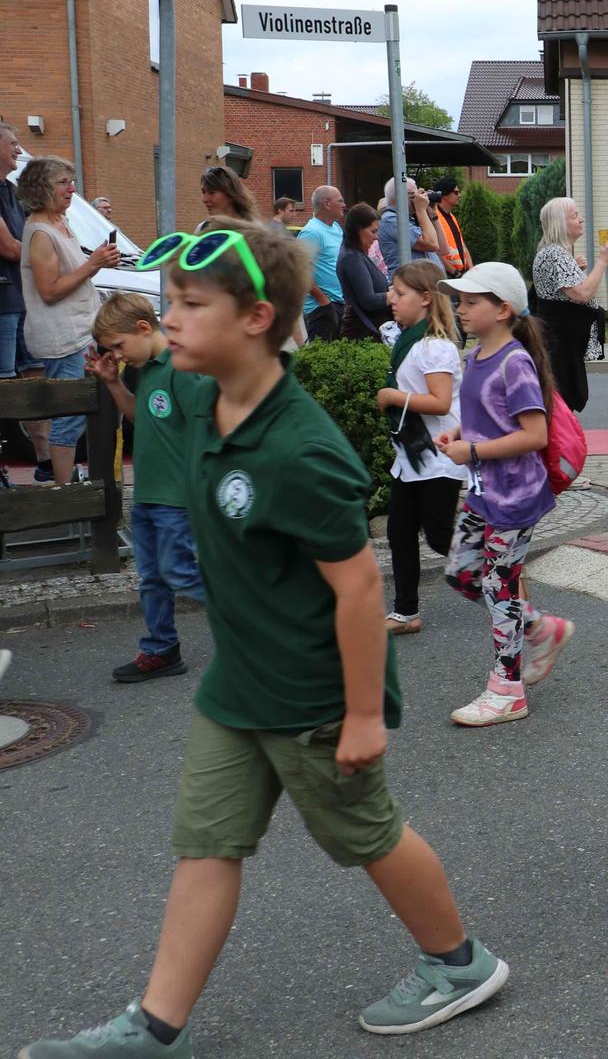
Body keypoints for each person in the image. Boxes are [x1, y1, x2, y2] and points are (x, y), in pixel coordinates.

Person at [21, 223, 509, 1055]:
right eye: (170, 302)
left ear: (255, 320)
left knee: (368, 836)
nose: (171, 318)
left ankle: (460, 964)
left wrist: (364, 715)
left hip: (312, 693)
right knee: (207, 844)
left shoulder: (300, 449)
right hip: (238, 684)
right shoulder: (205, 397)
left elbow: (358, 587)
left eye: (190, 304)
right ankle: (155, 1028)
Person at [434, 262, 572, 727]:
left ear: (503, 310)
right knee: (461, 574)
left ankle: (507, 690)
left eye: (471, 301)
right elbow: (489, 417)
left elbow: (535, 434)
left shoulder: (515, 363)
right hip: (483, 491)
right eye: (459, 300)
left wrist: (471, 449)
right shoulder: (474, 357)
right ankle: (540, 628)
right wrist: (460, 433)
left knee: (498, 586)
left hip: (515, 497)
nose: (460, 308)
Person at [86, 292, 209, 682]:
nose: (117, 355)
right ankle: (161, 649)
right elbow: (143, 417)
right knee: (153, 578)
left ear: (143, 328)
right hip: (149, 495)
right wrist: (113, 383)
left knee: (179, 573)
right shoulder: (147, 369)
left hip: (178, 496)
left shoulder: (181, 367)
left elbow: (206, 428)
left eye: (118, 346)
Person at [374, 262, 467, 637]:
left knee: (439, 535)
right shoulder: (410, 341)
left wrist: (393, 396)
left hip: (439, 456)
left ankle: (497, 571)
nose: (390, 299)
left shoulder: (434, 347)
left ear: (426, 299)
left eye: (400, 293)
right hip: (412, 456)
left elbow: (441, 402)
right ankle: (405, 612)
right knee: (399, 532)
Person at [20, 156, 118, 485]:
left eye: (71, 181)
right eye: (63, 182)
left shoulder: (60, 222)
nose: (72, 188)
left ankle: (72, 487)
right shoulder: (40, 232)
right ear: (41, 188)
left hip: (79, 331)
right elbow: (49, 291)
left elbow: (70, 274)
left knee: (80, 413)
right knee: (70, 418)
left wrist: (98, 261)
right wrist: (93, 265)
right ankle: (65, 495)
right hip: (63, 339)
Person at [0, 122, 54, 484]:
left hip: (24, 301)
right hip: (3, 303)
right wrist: (51, 256)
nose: (19, 151)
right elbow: (8, 247)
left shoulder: (12, 191)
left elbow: (32, 237)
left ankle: (46, 462)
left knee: (35, 382)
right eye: (13, 144)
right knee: (4, 386)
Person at [530, 197, 608, 413]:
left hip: (559, 341)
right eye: (575, 216)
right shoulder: (555, 253)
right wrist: (603, 261)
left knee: (558, 404)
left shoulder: (553, 252)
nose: (581, 219)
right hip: (559, 345)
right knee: (560, 405)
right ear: (560, 223)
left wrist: (575, 269)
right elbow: (582, 294)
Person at [336, 203, 391, 340]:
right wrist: (395, 295)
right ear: (357, 230)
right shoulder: (351, 257)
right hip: (362, 332)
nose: (376, 237)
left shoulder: (356, 254)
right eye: (373, 231)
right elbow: (368, 300)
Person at [299, 185, 347, 339]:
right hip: (321, 309)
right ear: (327, 203)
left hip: (339, 304)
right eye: (340, 201)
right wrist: (323, 300)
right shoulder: (311, 232)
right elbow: (300, 272)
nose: (344, 205)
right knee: (326, 352)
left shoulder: (336, 228)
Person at [377, 177, 442, 274]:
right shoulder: (390, 220)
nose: (419, 199)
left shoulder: (410, 219)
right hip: (409, 282)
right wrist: (421, 210)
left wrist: (434, 216)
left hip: (425, 282)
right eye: (414, 195)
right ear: (401, 196)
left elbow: (443, 250)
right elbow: (432, 244)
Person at [431, 177, 473, 276]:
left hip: (460, 273)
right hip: (447, 274)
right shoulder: (433, 217)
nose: (459, 195)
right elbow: (435, 251)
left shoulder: (452, 217)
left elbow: (462, 245)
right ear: (445, 195)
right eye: (456, 192)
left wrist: (471, 271)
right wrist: (454, 272)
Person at [197, 166, 256, 231]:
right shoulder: (202, 229)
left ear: (231, 194)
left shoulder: (253, 233)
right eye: (204, 192)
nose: (205, 200)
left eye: (212, 192)